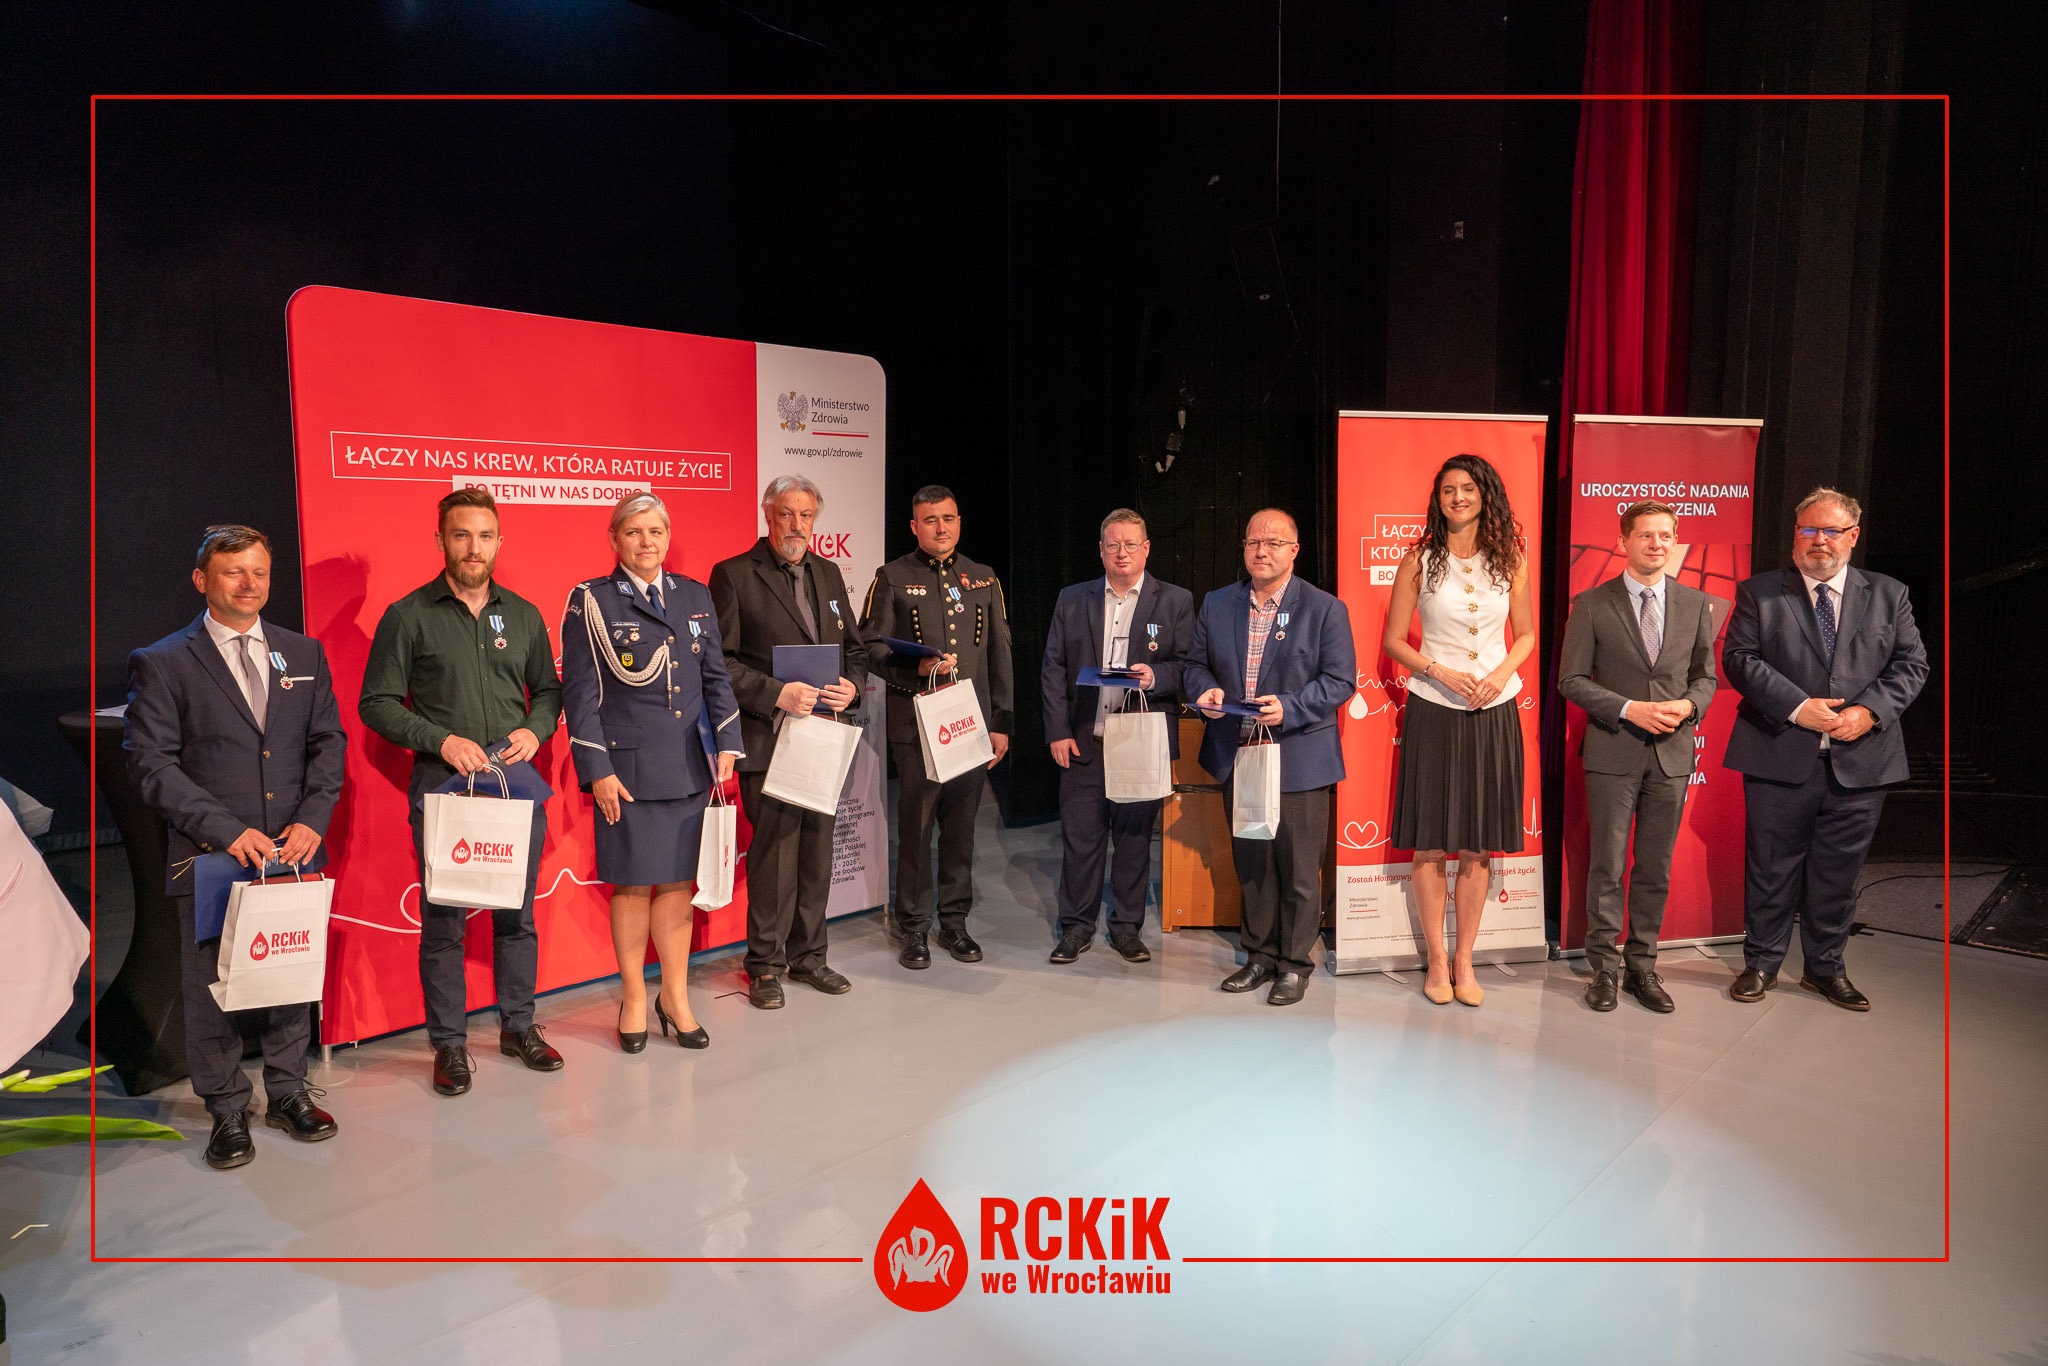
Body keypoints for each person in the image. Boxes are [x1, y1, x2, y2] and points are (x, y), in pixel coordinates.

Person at [124, 524, 346, 1169]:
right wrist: (226, 830)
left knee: (286, 974)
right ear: (202, 580)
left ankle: (288, 1091)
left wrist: (313, 819)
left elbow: (327, 743)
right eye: (233, 572)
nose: (249, 584)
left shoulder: (302, 652)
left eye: (259, 572)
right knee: (212, 986)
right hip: (214, 855)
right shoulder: (164, 660)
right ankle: (226, 1108)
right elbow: (151, 764)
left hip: (293, 850)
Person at [360, 487, 565, 1096]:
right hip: (444, 790)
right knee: (444, 921)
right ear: (441, 540)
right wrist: (441, 740)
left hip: (513, 788)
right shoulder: (408, 616)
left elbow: (548, 692)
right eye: (461, 535)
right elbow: (376, 703)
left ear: (499, 542)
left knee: (516, 916)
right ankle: (449, 1044)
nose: (474, 548)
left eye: (485, 536)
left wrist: (535, 729)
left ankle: (518, 1027)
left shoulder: (523, 615)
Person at [1721, 488, 1928, 1010]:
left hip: (1862, 762)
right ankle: (1761, 964)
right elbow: (1740, 659)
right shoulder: (1760, 592)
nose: (1819, 540)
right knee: (1771, 868)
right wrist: (1797, 707)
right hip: (1778, 752)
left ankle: (1825, 969)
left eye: (1831, 531)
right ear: (1795, 535)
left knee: (1839, 875)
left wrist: (1869, 712)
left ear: (1852, 536)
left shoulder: (1889, 594)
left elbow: (1911, 665)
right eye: (1808, 529)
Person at [562, 493, 743, 1047]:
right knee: (634, 884)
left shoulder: (694, 595)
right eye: (634, 531)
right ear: (614, 539)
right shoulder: (591, 600)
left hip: (689, 764)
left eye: (656, 531)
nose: (647, 542)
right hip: (629, 771)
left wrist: (729, 742)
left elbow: (715, 677)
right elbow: (580, 693)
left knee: (678, 882)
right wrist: (597, 769)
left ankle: (676, 997)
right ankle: (636, 997)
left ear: (668, 537)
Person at [1381, 454, 1535, 1008]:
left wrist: (1498, 676)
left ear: (1485, 495)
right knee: (1430, 843)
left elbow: (1526, 635)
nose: (1458, 497)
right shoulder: (1418, 561)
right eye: (1448, 490)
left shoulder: (1511, 560)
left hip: (1493, 710)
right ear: (1438, 500)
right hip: (1433, 709)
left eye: (1467, 488)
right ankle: (1436, 961)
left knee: (1477, 845)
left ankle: (1465, 960)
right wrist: (1438, 671)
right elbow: (1394, 640)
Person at [1185, 508, 1355, 1006]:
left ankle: (1295, 965)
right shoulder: (1218, 603)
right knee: (1253, 863)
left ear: (1294, 551)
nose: (1262, 551)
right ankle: (1259, 956)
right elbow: (1194, 665)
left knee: (1300, 869)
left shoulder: (1325, 609)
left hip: (1298, 756)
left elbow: (1340, 680)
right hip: (1238, 754)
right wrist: (1205, 691)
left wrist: (1290, 708)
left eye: (1274, 543)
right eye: (1253, 542)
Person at [1557, 500, 1720, 1013]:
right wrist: (1630, 709)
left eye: (1665, 535)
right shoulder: (1592, 603)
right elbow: (1571, 680)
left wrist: (1690, 706)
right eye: (1646, 535)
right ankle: (1603, 970)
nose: (1656, 543)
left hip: (1672, 754)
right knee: (1607, 866)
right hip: (1612, 751)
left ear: (1674, 541)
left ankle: (1642, 968)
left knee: (1655, 867)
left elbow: (1706, 676)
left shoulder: (1695, 602)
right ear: (1623, 541)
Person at [709, 475, 865, 1009]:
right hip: (770, 737)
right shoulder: (734, 574)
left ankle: (810, 958)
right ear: (767, 515)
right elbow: (720, 663)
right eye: (786, 514)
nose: (796, 526)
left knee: (817, 852)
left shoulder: (829, 573)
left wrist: (853, 686)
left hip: (824, 737)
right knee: (774, 858)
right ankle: (765, 967)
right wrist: (776, 693)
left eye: (806, 516)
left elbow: (854, 650)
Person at [860, 485, 1013, 969]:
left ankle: (954, 922)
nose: (941, 528)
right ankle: (913, 927)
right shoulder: (892, 577)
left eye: (948, 518)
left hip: (970, 724)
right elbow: (870, 648)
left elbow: (1000, 653)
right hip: (918, 723)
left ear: (959, 521)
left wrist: (1001, 722)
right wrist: (916, 669)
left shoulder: (983, 577)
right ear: (914, 526)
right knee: (917, 828)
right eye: (930, 520)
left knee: (962, 829)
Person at [1040, 508, 1195, 965]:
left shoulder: (1175, 600)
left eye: (1130, 545)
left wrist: (1155, 676)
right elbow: (1053, 668)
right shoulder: (1073, 599)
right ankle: (1076, 928)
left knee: (1133, 840)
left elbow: (1189, 667)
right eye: (1113, 545)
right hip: (1085, 740)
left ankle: (1127, 927)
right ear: (1101, 550)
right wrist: (1057, 731)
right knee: (1080, 841)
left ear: (1146, 549)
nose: (1121, 553)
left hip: (1141, 742)